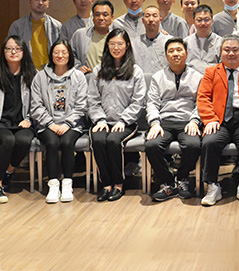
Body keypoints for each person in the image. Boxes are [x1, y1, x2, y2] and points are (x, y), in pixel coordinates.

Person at [197, 35, 239, 206]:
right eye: (227, 50)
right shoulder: (211, 72)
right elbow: (203, 98)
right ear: (220, 52)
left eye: (235, 50)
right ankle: (212, 186)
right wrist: (210, 119)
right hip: (219, 120)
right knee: (209, 141)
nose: (231, 53)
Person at [88, 28, 146, 202]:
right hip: (102, 121)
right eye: (112, 43)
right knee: (98, 140)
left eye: (120, 43)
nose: (116, 47)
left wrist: (123, 120)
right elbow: (92, 99)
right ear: (107, 45)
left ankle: (119, 184)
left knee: (114, 141)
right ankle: (106, 184)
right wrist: (99, 119)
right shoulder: (98, 70)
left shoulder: (135, 71)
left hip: (126, 122)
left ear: (127, 45)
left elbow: (138, 101)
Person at [145, 38, 203, 201]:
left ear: (186, 54)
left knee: (193, 145)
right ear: (166, 55)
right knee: (151, 145)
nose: (175, 54)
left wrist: (195, 120)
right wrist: (155, 123)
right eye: (171, 51)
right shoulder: (158, 77)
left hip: (187, 121)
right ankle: (168, 182)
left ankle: (182, 178)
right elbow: (152, 103)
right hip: (164, 121)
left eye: (179, 50)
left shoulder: (198, 77)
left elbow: (201, 102)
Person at [30, 39, 87, 203]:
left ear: (69, 55)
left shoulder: (78, 76)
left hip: (72, 124)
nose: (60, 55)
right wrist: (50, 124)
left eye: (64, 52)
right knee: (52, 143)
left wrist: (68, 123)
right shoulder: (40, 77)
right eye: (56, 52)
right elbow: (35, 105)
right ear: (51, 54)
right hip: (46, 124)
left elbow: (82, 105)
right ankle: (53, 184)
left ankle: (67, 183)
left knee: (67, 143)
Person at [0, 36, 37, 203]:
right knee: (7, 141)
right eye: (9, 48)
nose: (13, 51)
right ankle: (0, 184)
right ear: (3, 52)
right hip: (2, 123)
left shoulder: (32, 74)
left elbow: (38, 102)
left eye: (17, 48)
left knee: (23, 140)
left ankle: (9, 170)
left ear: (24, 52)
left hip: (24, 122)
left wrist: (29, 118)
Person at [8, 0, 62, 70]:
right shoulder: (17, 26)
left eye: (44, 0)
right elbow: (10, 52)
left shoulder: (57, 26)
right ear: (29, 1)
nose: (40, 3)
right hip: (25, 71)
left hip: (51, 71)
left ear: (48, 3)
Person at [70, 0, 114, 73]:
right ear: (92, 17)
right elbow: (70, 54)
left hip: (111, 78)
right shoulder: (80, 35)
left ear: (112, 18)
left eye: (105, 15)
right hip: (87, 78)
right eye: (97, 14)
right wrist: (78, 67)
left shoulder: (117, 37)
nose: (101, 18)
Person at [131, 5, 171, 74]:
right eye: (147, 16)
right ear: (143, 20)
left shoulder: (169, 42)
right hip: (141, 80)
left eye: (155, 16)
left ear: (160, 20)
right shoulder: (134, 44)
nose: (151, 19)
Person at [184, 5, 222, 74]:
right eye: (199, 20)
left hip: (213, 78)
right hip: (191, 79)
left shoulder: (221, 42)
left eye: (206, 20)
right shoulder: (186, 42)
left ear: (212, 21)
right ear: (193, 21)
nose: (203, 23)